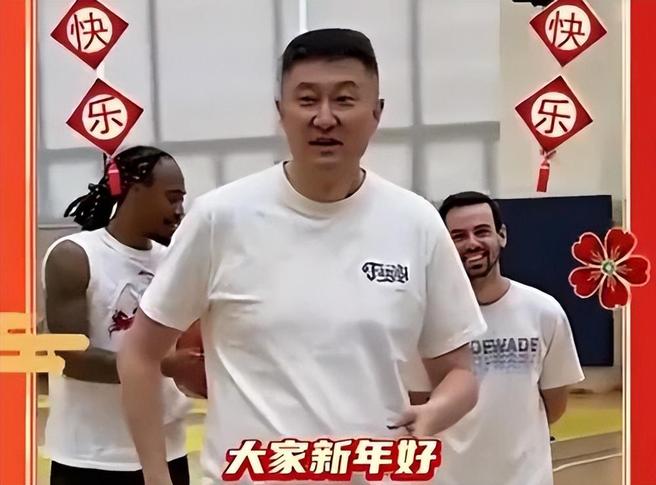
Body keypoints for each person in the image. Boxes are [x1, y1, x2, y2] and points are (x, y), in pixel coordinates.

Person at [118, 29, 487, 485]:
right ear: (281, 112)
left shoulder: (417, 222)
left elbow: (459, 375)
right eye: (307, 100)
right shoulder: (220, 218)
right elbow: (139, 353)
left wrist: (434, 413)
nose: (325, 118)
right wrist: (157, 478)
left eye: (345, 99)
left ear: (376, 112)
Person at [43, 146, 200, 485]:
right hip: (90, 455)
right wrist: (161, 366)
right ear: (136, 190)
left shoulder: (175, 260)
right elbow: (72, 357)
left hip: (166, 449)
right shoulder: (75, 256)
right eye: (172, 198)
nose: (179, 211)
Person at [416, 191, 584, 485]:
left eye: (482, 231)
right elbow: (418, 406)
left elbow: (554, 405)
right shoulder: (424, 321)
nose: (472, 243)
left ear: (501, 235)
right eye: (458, 236)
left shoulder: (544, 312)